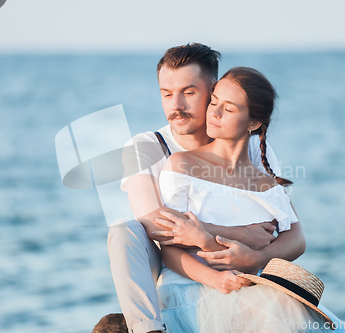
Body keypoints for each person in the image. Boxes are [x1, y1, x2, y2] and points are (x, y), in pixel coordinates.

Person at [108, 43, 306, 333]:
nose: (176, 105)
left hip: (239, 266)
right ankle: (148, 328)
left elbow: (289, 230)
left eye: (188, 92)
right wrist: (242, 233)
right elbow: (160, 229)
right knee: (125, 231)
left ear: (214, 89)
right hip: (169, 258)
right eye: (166, 94)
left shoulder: (253, 149)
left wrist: (258, 256)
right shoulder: (148, 147)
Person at [153, 66, 332, 332]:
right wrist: (214, 279)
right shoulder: (182, 166)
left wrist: (254, 259)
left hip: (248, 287)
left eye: (229, 108)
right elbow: (169, 249)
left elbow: (296, 240)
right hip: (188, 288)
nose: (214, 112)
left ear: (253, 123)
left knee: (282, 311)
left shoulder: (265, 183)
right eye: (214, 101)